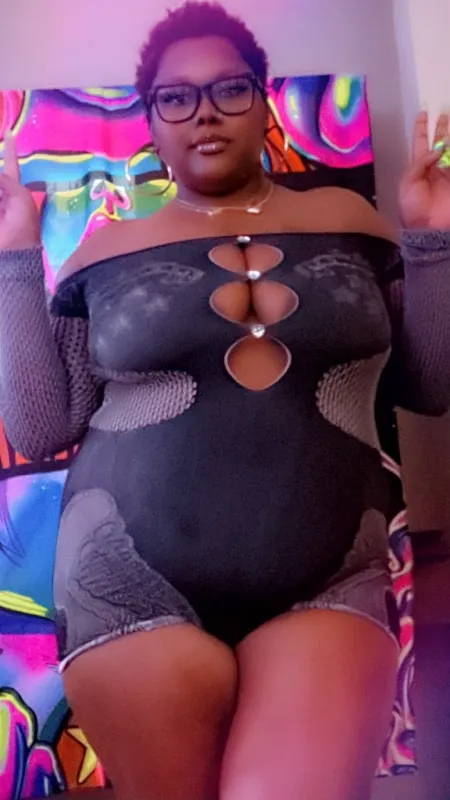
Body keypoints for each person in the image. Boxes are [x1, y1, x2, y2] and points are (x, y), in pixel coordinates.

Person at [1, 3, 450, 799]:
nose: (203, 112)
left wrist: (431, 237)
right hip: (125, 582)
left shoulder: (351, 222)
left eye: (228, 89)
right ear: (151, 119)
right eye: (175, 97)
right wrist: (12, 255)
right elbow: (41, 426)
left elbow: (431, 385)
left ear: (262, 100)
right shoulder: (106, 252)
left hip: (330, 574)